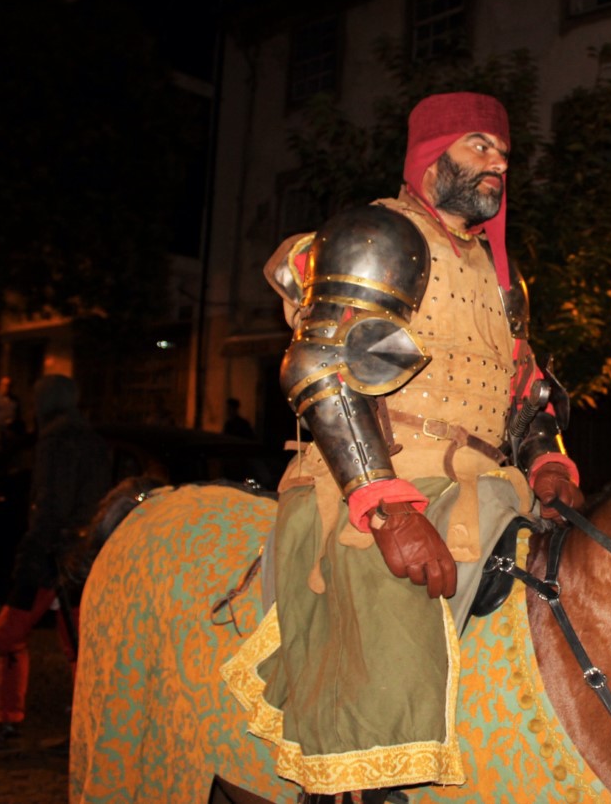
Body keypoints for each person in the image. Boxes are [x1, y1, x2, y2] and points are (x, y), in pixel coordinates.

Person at [226, 92, 583, 797]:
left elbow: (522, 387)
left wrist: (546, 458)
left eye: (504, 154)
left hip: (483, 484)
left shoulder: (500, 276)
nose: (496, 164)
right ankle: (354, 787)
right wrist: (386, 505)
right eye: (478, 146)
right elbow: (323, 366)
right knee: (388, 610)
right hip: (375, 476)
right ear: (430, 155)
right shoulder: (381, 237)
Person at [0, 374, 111, 758]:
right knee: (77, 645)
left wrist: (33, 551)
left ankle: (10, 723)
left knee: (9, 634)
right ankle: (81, 728)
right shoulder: (91, 441)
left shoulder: (57, 441)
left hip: (53, 558)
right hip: (81, 555)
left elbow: (51, 504)